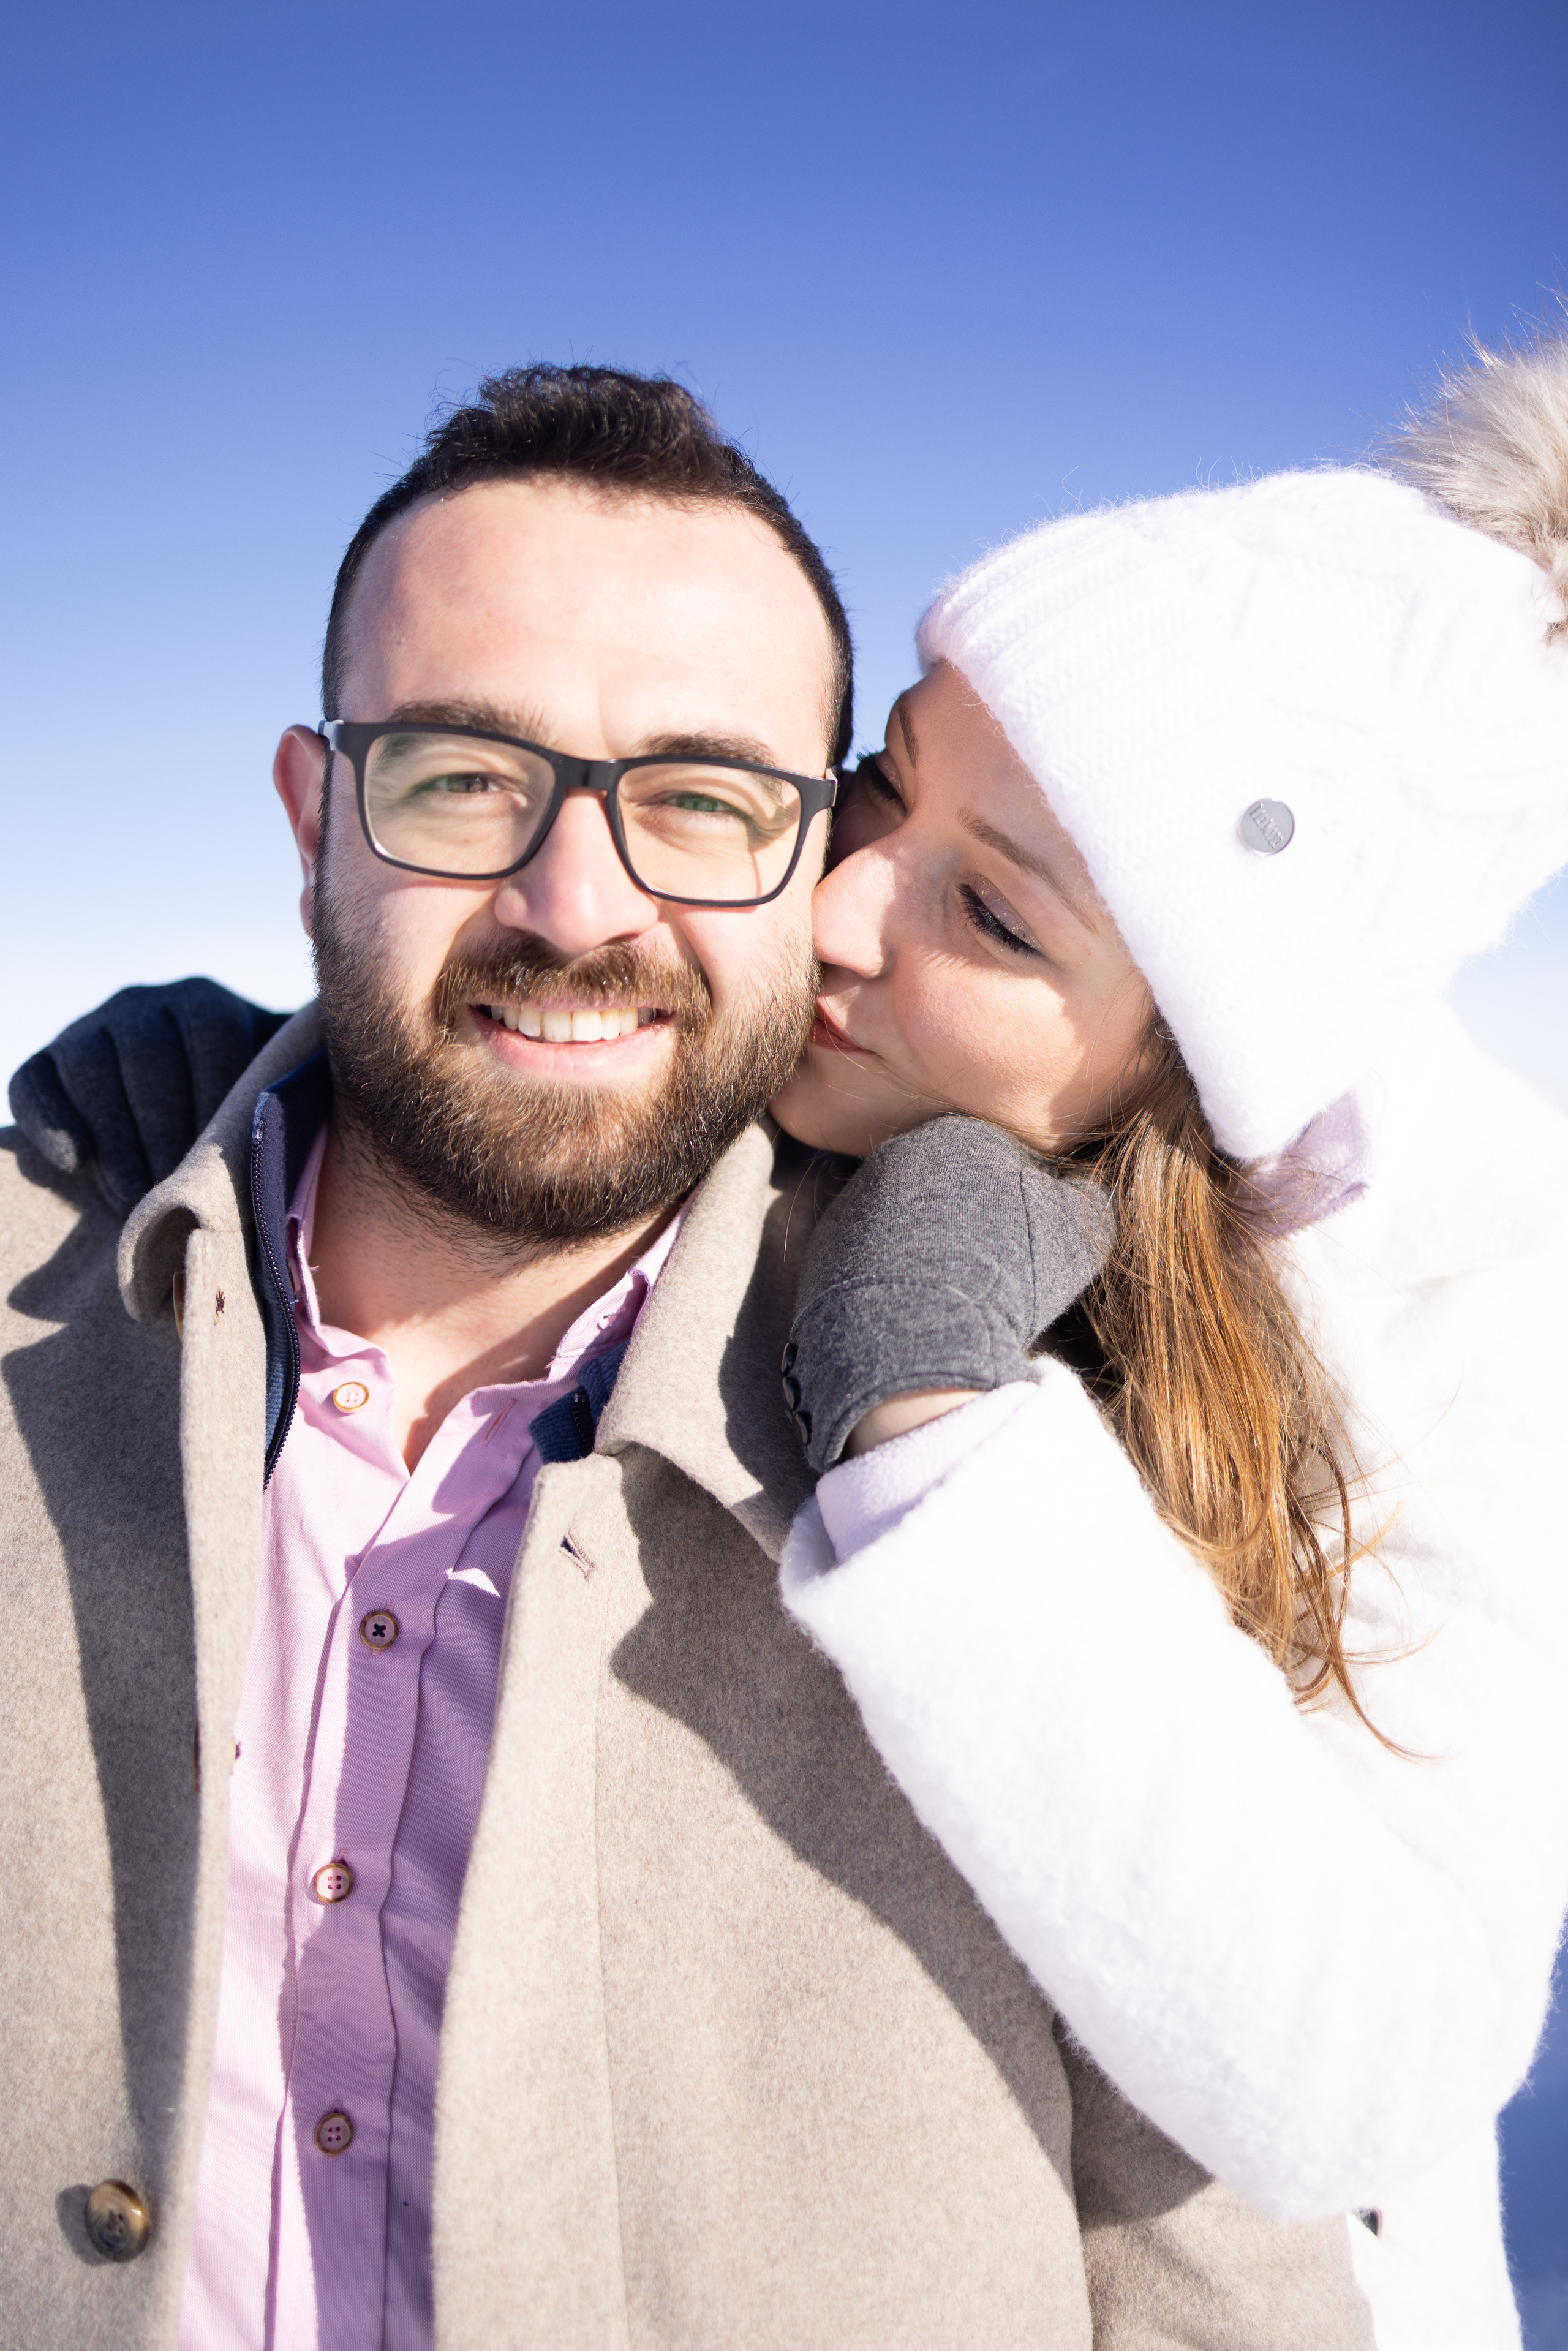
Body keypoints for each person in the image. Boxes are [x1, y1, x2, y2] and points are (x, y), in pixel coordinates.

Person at [0, 364, 1374, 2351]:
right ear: (316, 824)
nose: (580, 905)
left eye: (703, 800)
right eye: (464, 776)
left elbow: (1234, 2284)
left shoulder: (1038, 1495)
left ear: (810, 860)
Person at [769, 332, 1568, 2351]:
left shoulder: (1463, 1313)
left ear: (1184, 1074)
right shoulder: (818, 1053)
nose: (841, 910)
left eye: (1000, 919)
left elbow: (1372, 2067)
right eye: (884, 776)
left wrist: (938, 1419)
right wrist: (263, 1090)